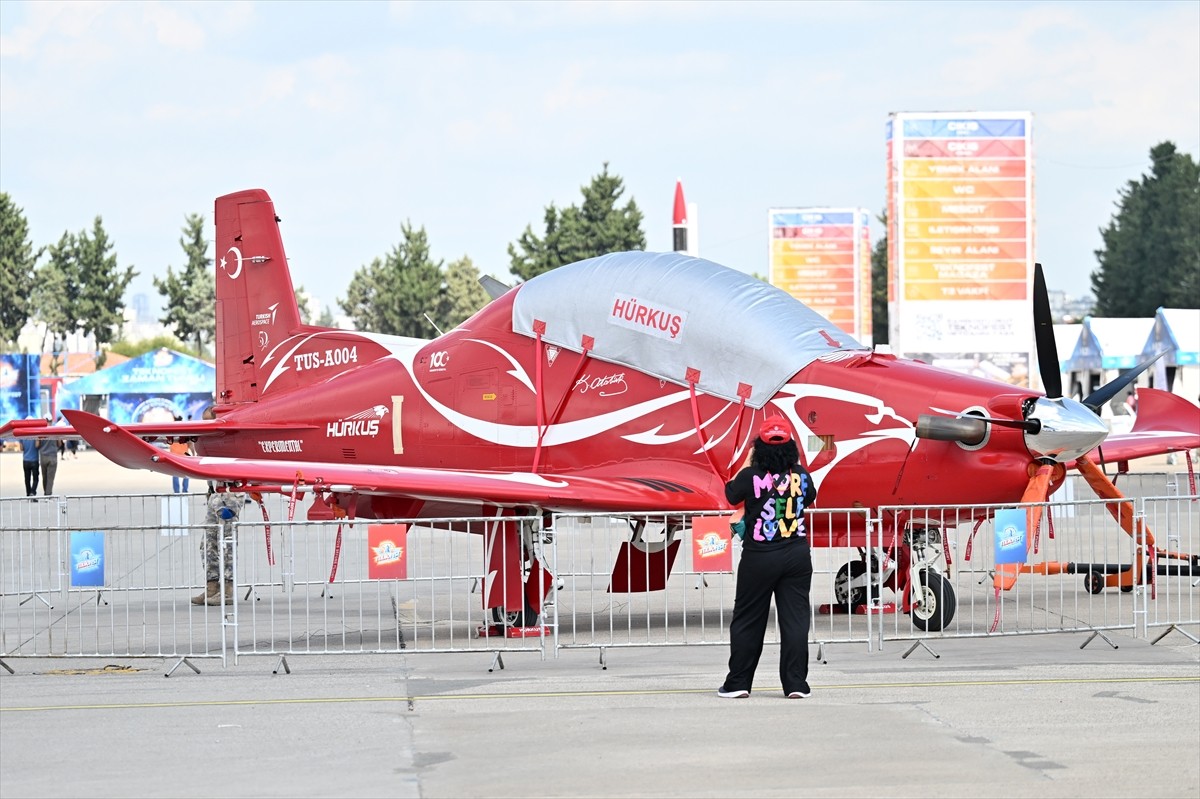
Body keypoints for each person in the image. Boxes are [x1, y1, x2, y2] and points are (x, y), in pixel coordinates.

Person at [718, 415, 818, 700]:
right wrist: (793, 468)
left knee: (748, 619)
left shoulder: (751, 475)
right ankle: (796, 683)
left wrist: (748, 462)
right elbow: (809, 495)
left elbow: (730, 494)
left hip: (760, 556)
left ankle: (738, 682)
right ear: (791, 447)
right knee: (795, 620)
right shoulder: (801, 475)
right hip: (797, 554)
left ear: (758, 446)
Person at [37, 422, 60, 496]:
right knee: (50, 478)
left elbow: (37, 444)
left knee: (44, 477)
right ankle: (48, 494)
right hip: (53, 456)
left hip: (43, 456)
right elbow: (59, 444)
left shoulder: (41, 431)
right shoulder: (54, 431)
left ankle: (45, 492)